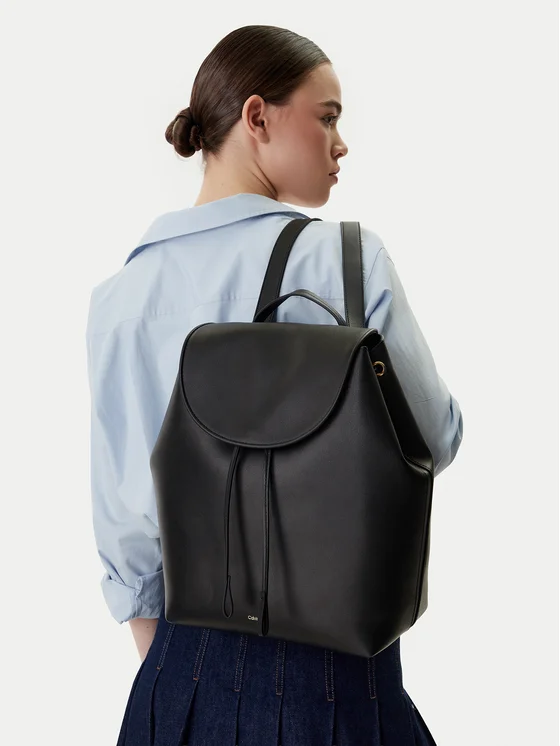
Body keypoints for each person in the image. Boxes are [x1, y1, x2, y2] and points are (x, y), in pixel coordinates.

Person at [85, 24, 463, 746]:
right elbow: (435, 438)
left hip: (176, 669)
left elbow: (126, 532)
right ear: (256, 117)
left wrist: (189, 677)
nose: (340, 144)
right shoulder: (344, 263)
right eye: (328, 117)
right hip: (336, 666)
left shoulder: (121, 297)